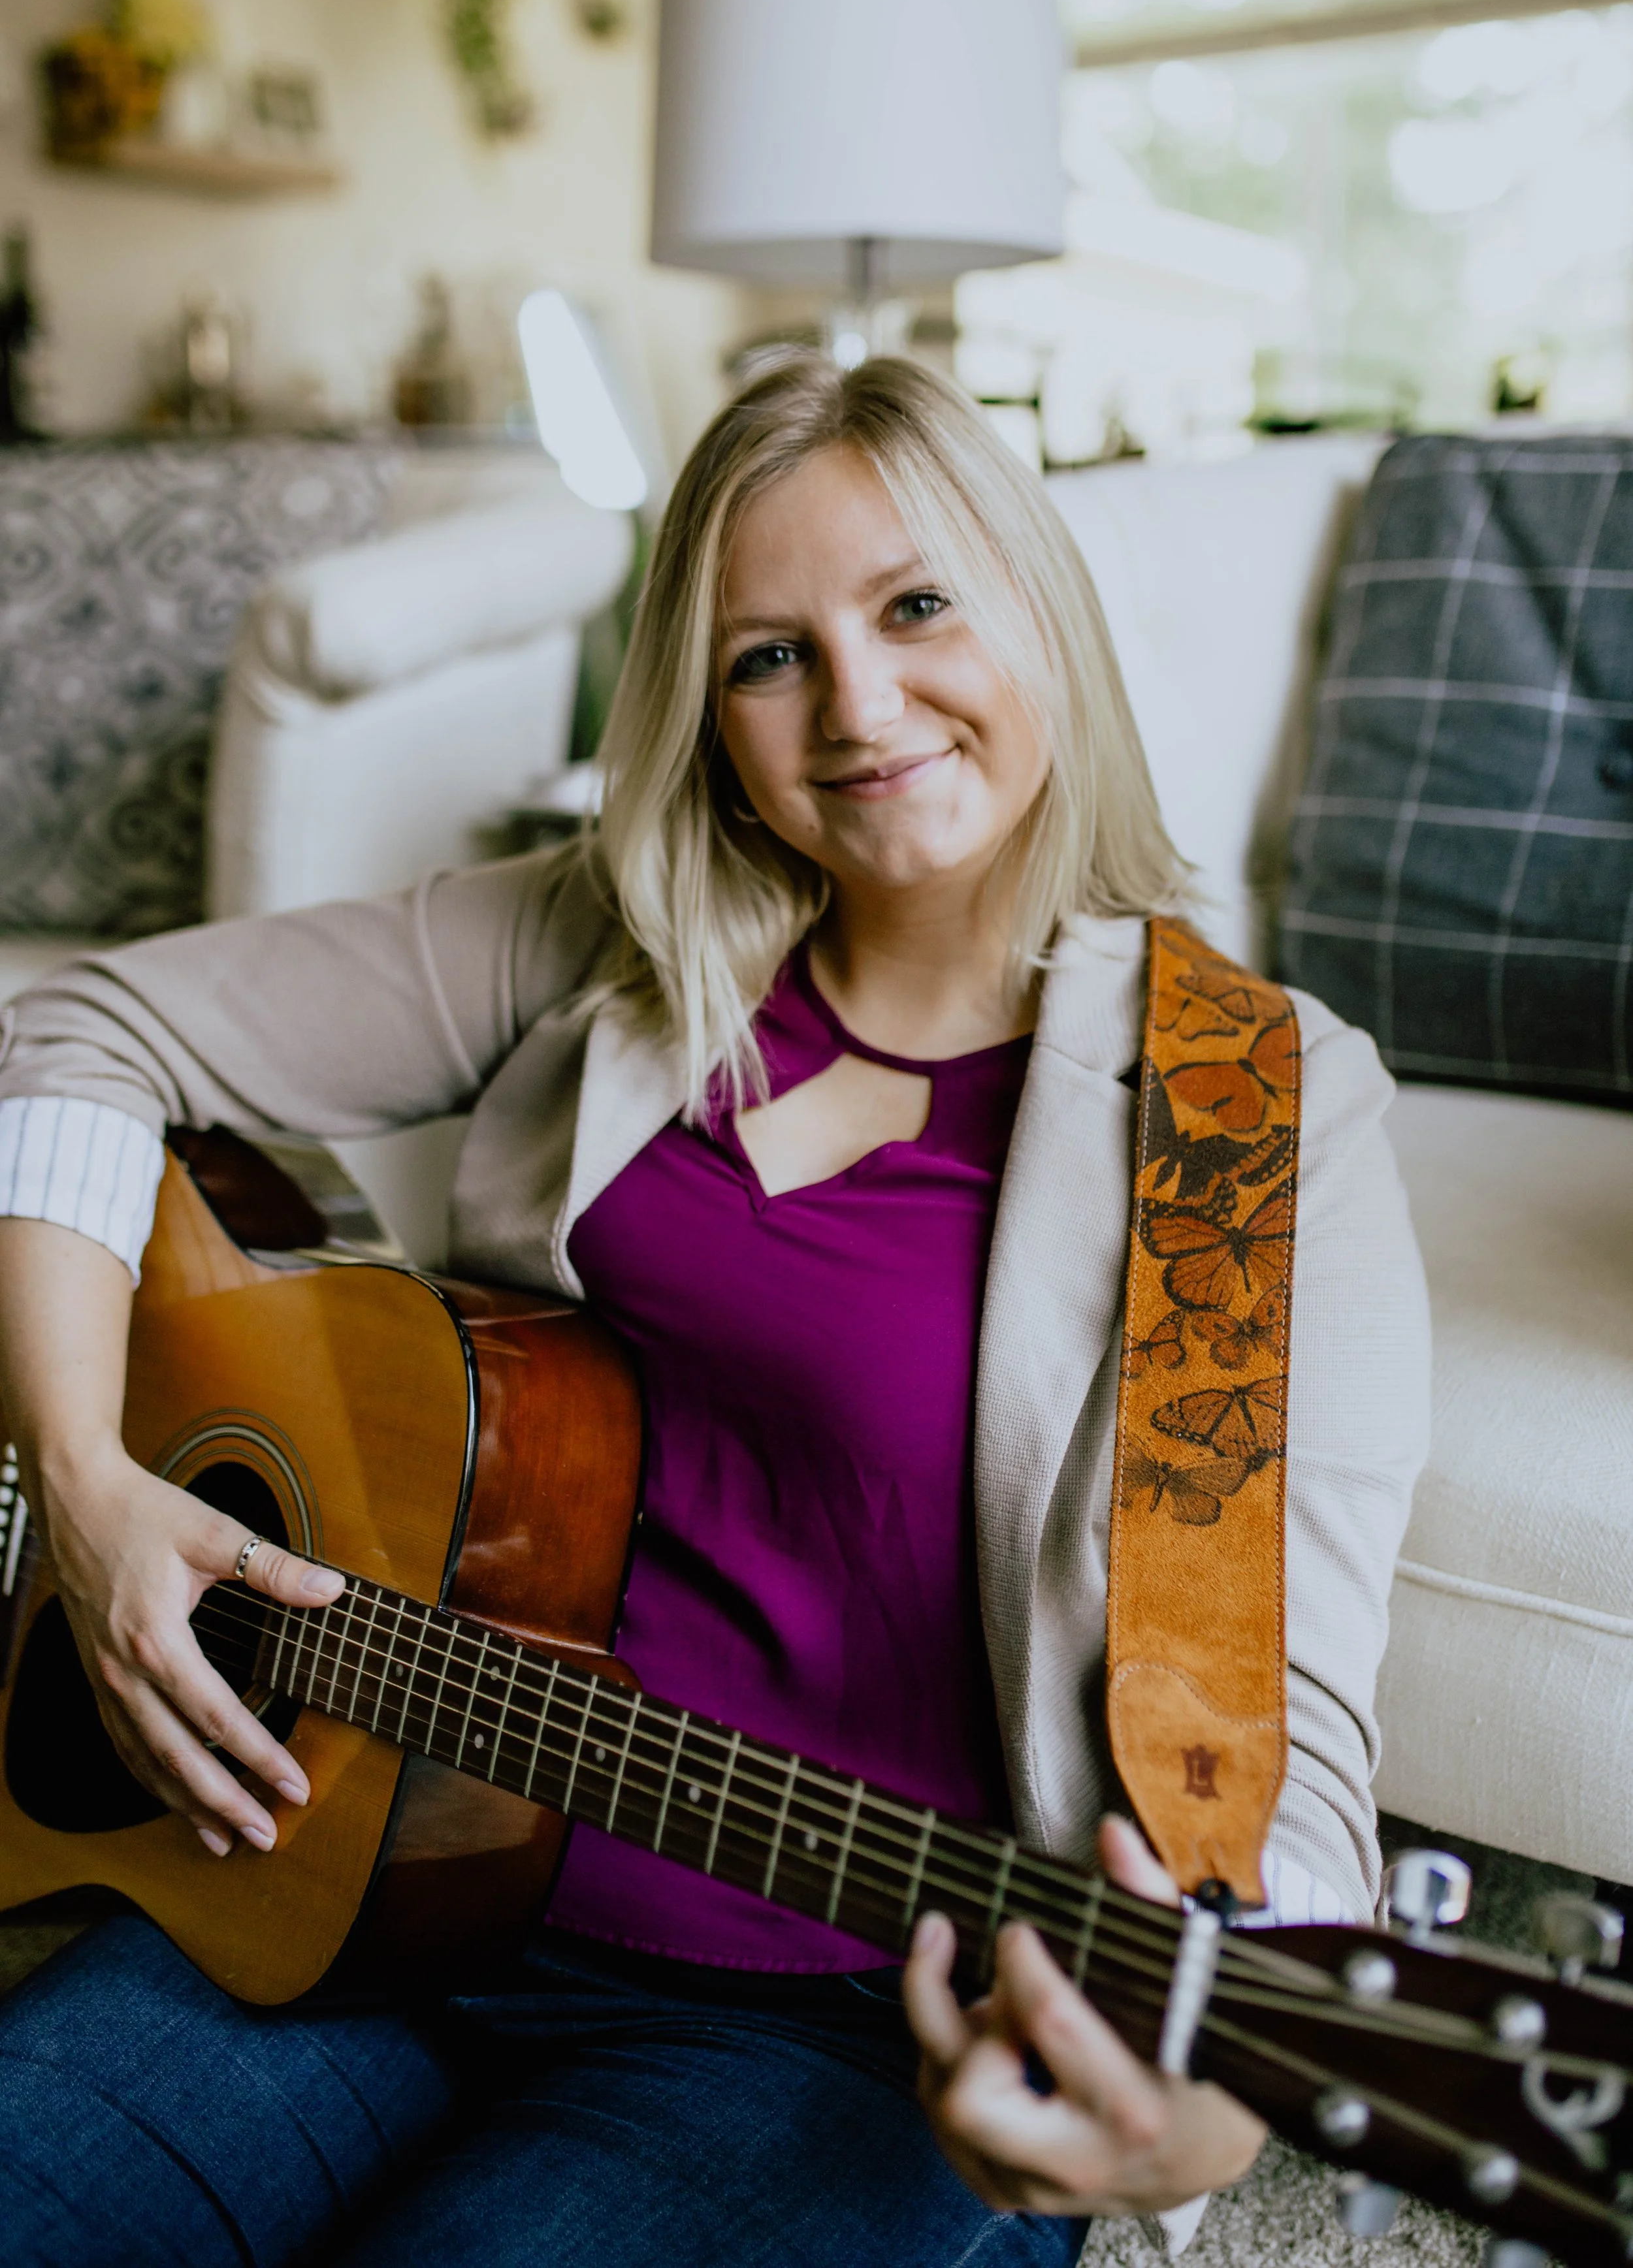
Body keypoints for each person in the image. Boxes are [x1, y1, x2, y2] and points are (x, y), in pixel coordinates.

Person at [0, 356, 1429, 2267]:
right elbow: (82, 1029)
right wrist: (84, 1483)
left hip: (835, 2037)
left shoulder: (1246, 1107)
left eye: (915, 605)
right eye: (768, 656)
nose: (856, 705)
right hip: (369, 1874)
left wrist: (1203, 2095)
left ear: (1038, 611)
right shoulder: (612, 932)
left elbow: (1283, 1724)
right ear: (706, 713)